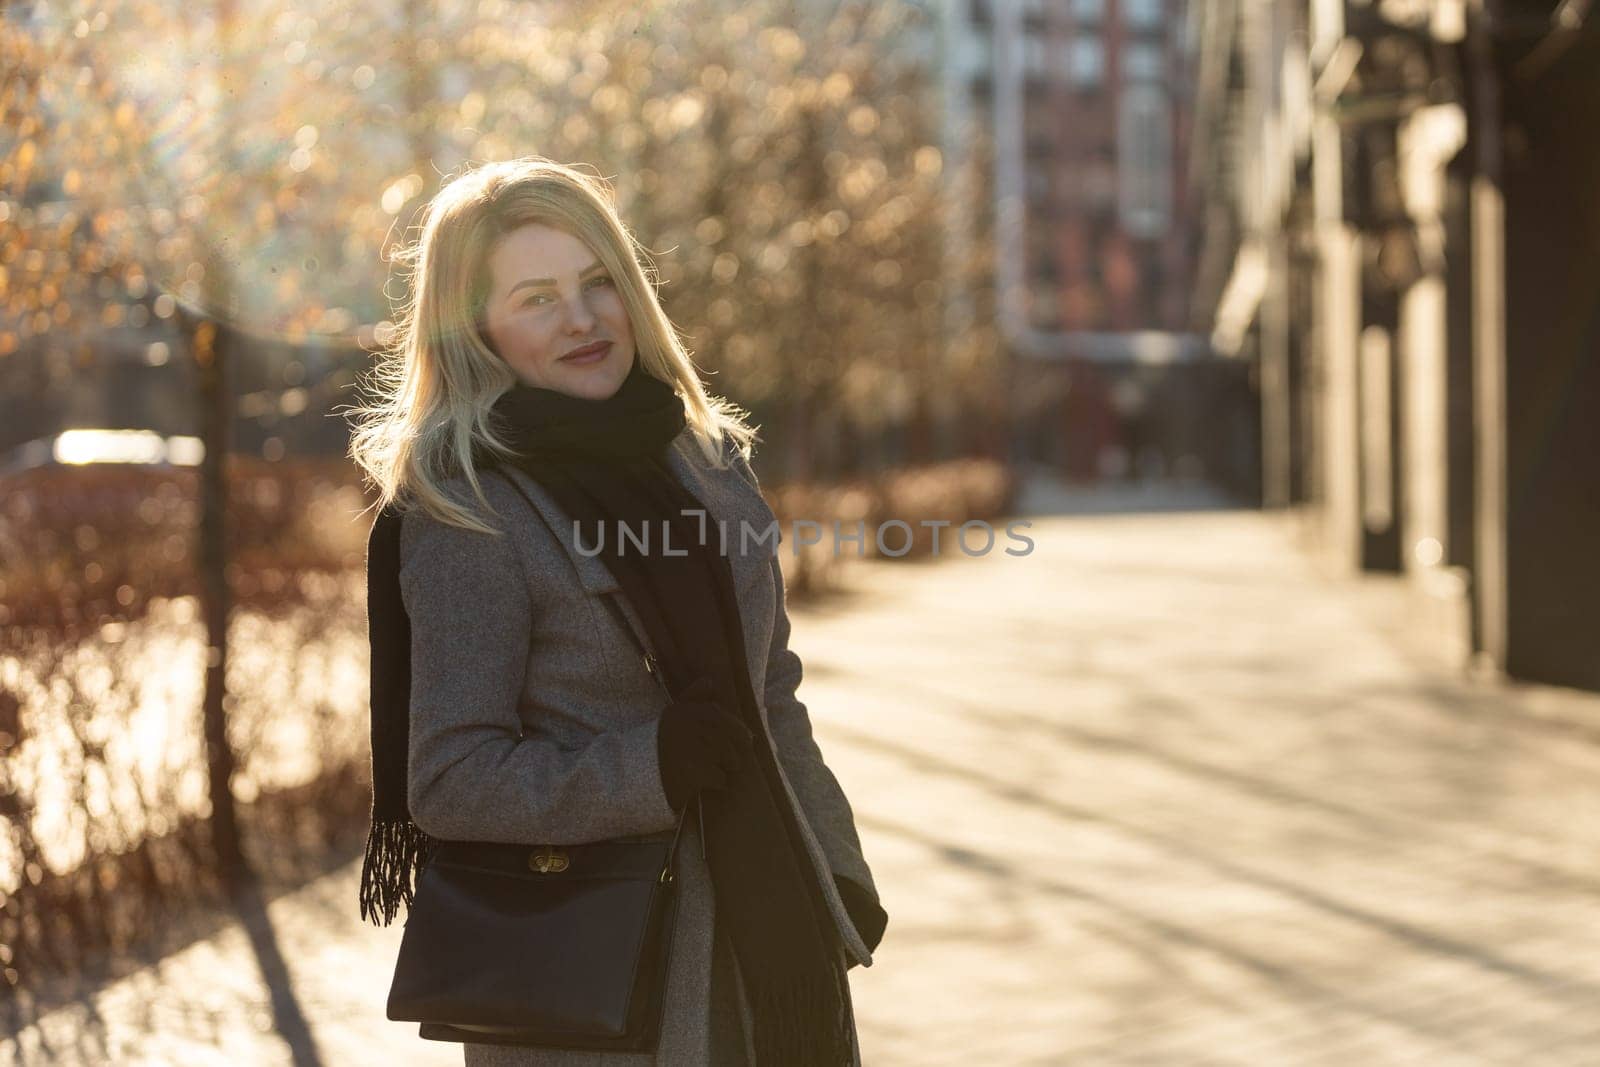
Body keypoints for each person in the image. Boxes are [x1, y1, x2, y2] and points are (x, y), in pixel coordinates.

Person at [349, 157, 886, 1067]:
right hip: (600, 993)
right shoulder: (470, 512)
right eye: (538, 298)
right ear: (475, 328)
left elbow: (772, 694)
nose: (584, 319)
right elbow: (449, 778)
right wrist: (651, 765)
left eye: (600, 283)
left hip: (774, 948)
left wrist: (834, 861)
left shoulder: (707, 463)